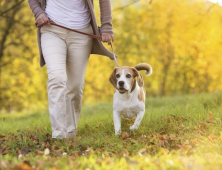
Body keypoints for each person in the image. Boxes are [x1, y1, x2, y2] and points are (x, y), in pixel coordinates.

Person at [28, 0, 115, 139]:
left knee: (75, 86)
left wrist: (106, 26)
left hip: (81, 33)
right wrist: (38, 12)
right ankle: (59, 135)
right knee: (57, 78)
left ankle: (70, 131)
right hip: (52, 29)